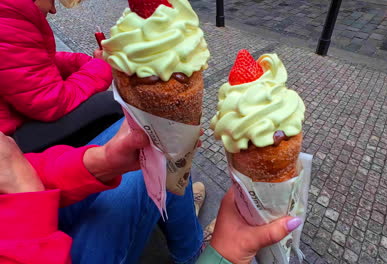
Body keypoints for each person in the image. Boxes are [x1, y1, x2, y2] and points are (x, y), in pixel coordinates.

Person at [0, 129, 302, 264]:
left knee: (155, 150)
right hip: (29, 243)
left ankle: (181, 224)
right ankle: (195, 250)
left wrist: (100, 163)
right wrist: (225, 258)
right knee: (152, 170)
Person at [0, 0, 123, 153]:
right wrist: (102, 66)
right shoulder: (6, 16)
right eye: (52, 0)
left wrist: (87, 63)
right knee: (112, 105)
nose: (53, 10)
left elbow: (28, 60)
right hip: (7, 143)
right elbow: (49, 102)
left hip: (10, 120)